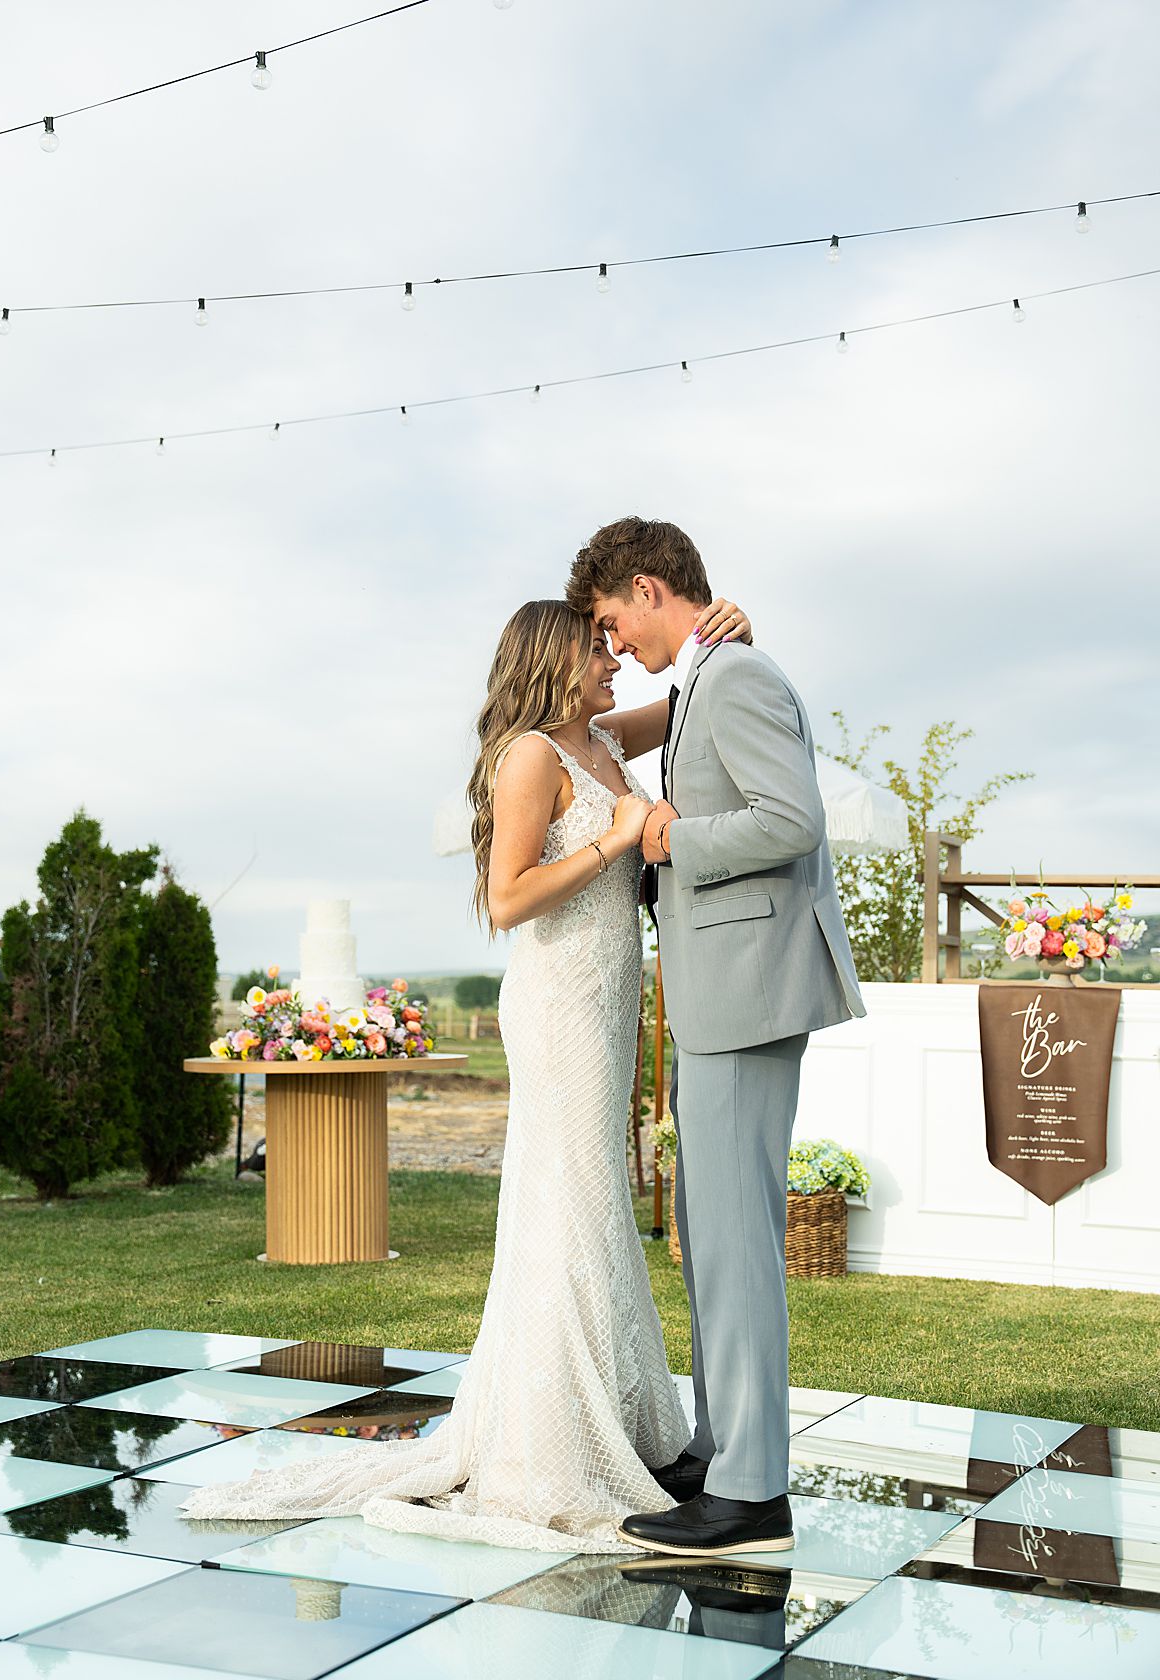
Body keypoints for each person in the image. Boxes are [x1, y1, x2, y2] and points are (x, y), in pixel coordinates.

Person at [179, 589, 754, 1553]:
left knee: (591, 1201)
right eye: (599, 648)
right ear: (553, 657)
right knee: (565, 1203)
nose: (615, 658)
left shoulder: (602, 744)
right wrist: (617, 836)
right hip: (559, 1002)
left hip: (608, 1002)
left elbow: (693, 701)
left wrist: (717, 639)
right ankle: (549, 1441)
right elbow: (509, 897)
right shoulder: (531, 753)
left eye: (616, 643)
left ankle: (618, 1418)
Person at [566, 515, 863, 1557]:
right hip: (720, 995)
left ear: (651, 590)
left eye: (613, 624)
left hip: (747, 992)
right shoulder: (703, 676)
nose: (614, 648)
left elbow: (792, 822)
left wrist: (666, 837)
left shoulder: (733, 676)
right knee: (714, 1243)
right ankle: (719, 1445)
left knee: (738, 1249)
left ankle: (751, 1493)